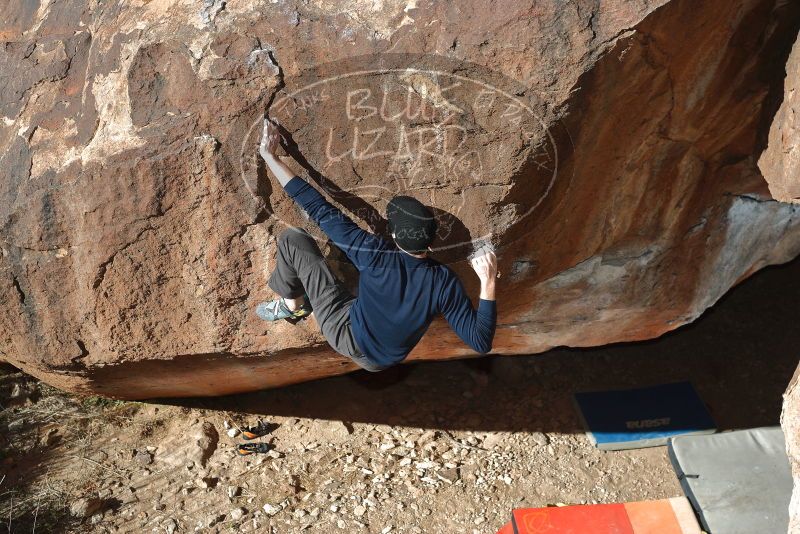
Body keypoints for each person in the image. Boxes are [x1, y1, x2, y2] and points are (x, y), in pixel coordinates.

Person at [255, 119, 497, 371]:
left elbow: (319, 208)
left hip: (345, 334)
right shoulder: (445, 281)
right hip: (384, 362)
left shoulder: (374, 254)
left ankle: (292, 307)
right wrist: (488, 280)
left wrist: (270, 157)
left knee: (294, 238)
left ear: (392, 236)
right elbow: (480, 342)